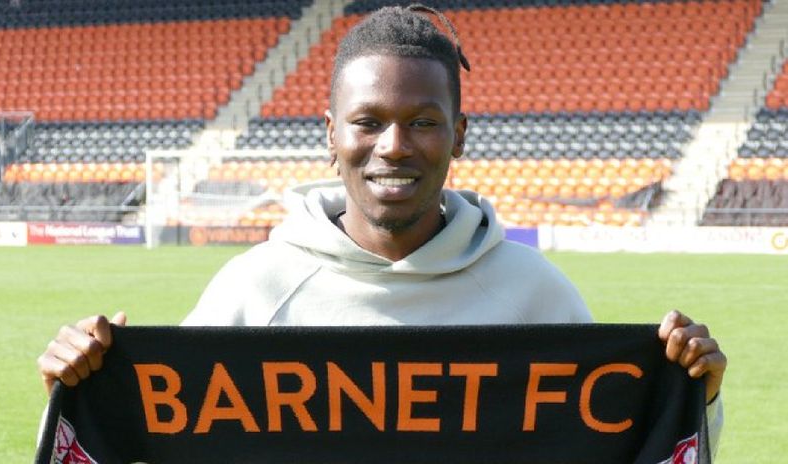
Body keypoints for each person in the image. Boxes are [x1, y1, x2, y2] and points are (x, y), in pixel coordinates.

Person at [37, 4, 726, 458]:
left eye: (422, 122)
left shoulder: (536, 293)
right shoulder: (252, 289)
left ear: (458, 136)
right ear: (330, 136)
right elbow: (161, 444)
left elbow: (619, 446)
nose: (393, 146)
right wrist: (81, 395)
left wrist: (695, 394)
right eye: (367, 121)